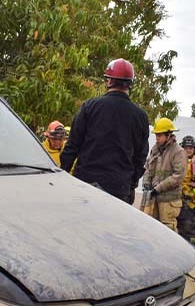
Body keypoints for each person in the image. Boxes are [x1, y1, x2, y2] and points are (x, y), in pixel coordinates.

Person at [60, 58, 149, 203]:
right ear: (130, 84)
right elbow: (140, 157)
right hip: (119, 188)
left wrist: (64, 173)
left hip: (86, 184)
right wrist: (130, 184)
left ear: (109, 81)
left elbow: (72, 146)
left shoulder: (90, 107)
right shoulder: (140, 116)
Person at [140, 118, 186, 231]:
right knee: (150, 228)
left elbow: (178, 177)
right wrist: (146, 182)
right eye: (156, 135)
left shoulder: (178, 152)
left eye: (159, 135)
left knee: (168, 230)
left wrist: (158, 188)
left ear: (169, 135)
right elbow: (147, 167)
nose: (157, 138)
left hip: (169, 201)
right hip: (153, 198)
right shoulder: (155, 149)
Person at [177, 135, 195, 244]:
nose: (188, 150)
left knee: (192, 222)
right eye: (186, 148)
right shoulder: (178, 160)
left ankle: (193, 244)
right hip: (179, 195)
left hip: (193, 196)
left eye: (191, 148)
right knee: (180, 220)